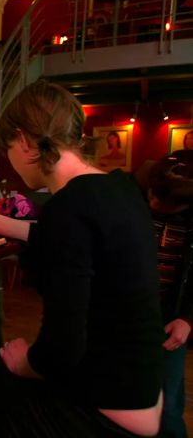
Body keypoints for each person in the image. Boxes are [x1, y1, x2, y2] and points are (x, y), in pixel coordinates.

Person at [0, 80, 164, 437]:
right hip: (139, 394)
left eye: (7, 147)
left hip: (98, 410)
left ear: (23, 141)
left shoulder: (69, 207)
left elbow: (61, 350)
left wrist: (27, 362)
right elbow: (66, 243)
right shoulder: (118, 189)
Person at [136, 150, 193, 438]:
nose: (154, 203)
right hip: (128, 314)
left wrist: (188, 318)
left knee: (168, 405)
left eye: (163, 202)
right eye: (153, 195)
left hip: (170, 320)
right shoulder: (133, 192)